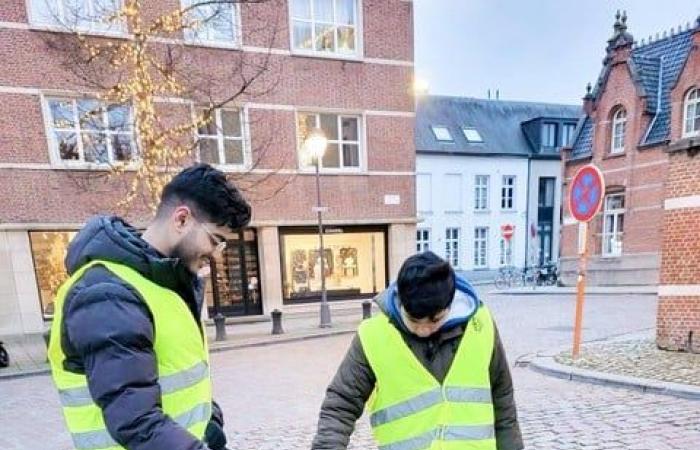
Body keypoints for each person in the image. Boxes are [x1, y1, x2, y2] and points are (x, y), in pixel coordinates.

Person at [47, 164, 251, 450]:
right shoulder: (107, 294)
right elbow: (136, 421)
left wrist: (209, 420)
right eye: (215, 240)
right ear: (181, 219)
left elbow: (177, 371)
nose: (216, 255)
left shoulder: (166, 284)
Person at [312, 251, 523, 450]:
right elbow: (341, 404)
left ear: (450, 304)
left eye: (435, 320)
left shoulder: (481, 324)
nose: (423, 330)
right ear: (400, 301)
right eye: (414, 320)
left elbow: (502, 399)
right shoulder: (373, 336)